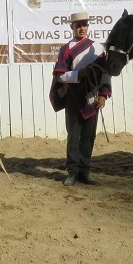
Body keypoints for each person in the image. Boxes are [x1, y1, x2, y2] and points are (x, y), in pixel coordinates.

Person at [49, 11, 111, 186]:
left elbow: (105, 75)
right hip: (73, 98)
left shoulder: (98, 48)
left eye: (84, 25)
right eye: (78, 25)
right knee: (74, 135)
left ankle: (85, 170)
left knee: (89, 136)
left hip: (92, 97)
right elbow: (60, 76)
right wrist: (79, 74)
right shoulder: (66, 49)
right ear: (72, 27)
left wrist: (104, 95)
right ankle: (72, 171)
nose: (82, 28)